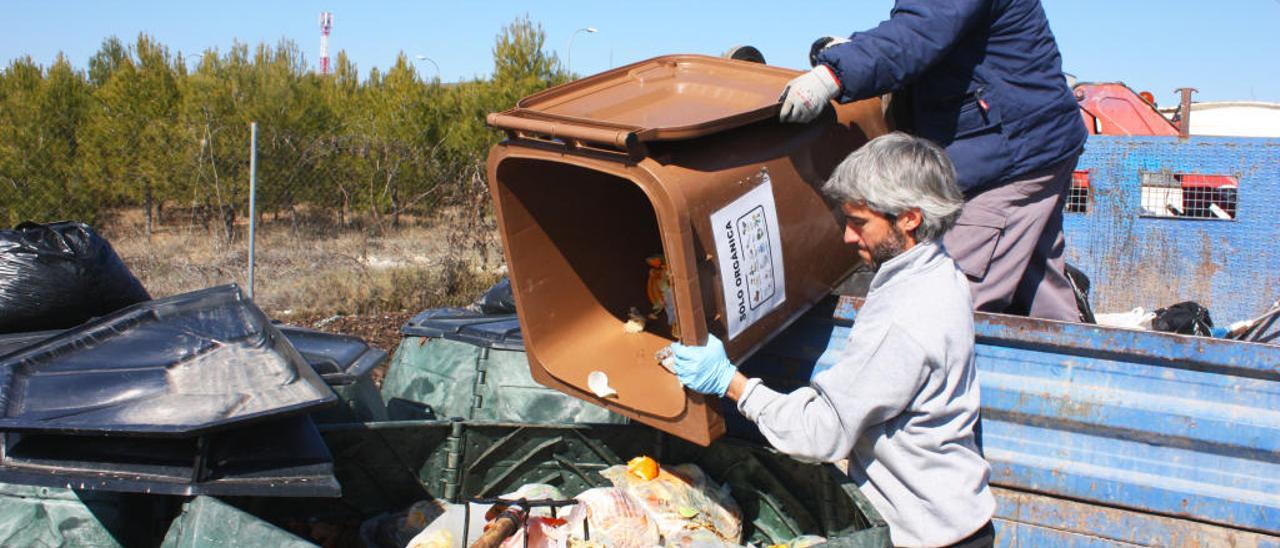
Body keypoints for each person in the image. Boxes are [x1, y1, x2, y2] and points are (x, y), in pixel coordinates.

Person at [669, 133, 994, 547]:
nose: (847, 237)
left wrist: (730, 382)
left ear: (910, 218)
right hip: (957, 520)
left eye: (860, 223)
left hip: (927, 538)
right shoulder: (941, 273)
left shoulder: (906, 317)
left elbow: (820, 433)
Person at [778, 0, 1088, 321]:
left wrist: (834, 74)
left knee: (946, 296)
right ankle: (1082, 365)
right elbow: (929, 34)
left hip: (1011, 155)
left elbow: (918, 33)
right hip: (1032, 142)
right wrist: (854, 50)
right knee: (1040, 293)